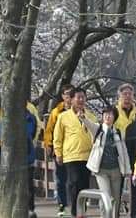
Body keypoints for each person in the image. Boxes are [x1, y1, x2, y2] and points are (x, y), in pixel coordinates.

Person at [53, 87, 98, 218]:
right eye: (78, 97)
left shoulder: (90, 116)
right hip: (71, 155)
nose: (81, 100)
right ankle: (75, 211)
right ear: (71, 100)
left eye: (83, 97)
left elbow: (96, 134)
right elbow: (57, 137)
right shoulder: (63, 117)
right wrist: (58, 153)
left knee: (84, 184)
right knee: (74, 182)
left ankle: (82, 211)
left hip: (87, 156)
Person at [88, 106, 131, 217]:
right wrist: (83, 118)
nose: (107, 116)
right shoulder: (98, 129)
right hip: (101, 170)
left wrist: (127, 170)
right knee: (105, 196)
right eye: (105, 113)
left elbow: (124, 152)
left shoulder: (118, 132)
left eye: (110, 114)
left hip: (116, 170)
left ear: (114, 117)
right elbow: (89, 125)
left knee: (116, 198)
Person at [43, 83, 74, 216]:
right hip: (60, 148)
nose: (69, 97)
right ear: (62, 96)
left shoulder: (78, 110)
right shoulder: (56, 112)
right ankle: (62, 204)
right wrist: (48, 145)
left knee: (73, 178)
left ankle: (74, 203)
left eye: (71, 94)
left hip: (74, 149)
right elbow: (49, 130)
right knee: (61, 178)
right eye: (67, 94)